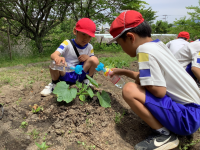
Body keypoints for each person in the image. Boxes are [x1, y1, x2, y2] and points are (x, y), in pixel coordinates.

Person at [108, 10, 200, 150]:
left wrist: (139, 85)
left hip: (186, 118)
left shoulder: (144, 51)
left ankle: (164, 135)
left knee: (129, 89)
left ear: (130, 37)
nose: (122, 48)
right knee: (138, 86)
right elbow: (152, 80)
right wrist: (124, 71)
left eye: (121, 44)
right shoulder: (158, 45)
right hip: (193, 113)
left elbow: (159, 91)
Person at [41, 18, 99, 96]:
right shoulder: (67, 43)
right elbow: (53, 55)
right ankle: (54, 84)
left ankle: (87, 81)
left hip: (81, 73)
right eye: (83, 34)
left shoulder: (89, 47)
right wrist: (58, 58)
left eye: (89, 36)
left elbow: (93, 61)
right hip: (66, 72)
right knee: (54, 63)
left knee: (94, 59)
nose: (86, 38)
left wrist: (88, 58)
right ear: (75, 31)